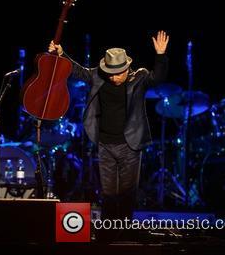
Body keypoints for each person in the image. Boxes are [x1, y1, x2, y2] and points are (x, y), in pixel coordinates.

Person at [48, 30, 169, 240]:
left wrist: (160, 55)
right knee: (109, 193)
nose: (114, 77)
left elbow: (158, 77)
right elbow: (78, 71)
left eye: (118, 72)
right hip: (105, 144)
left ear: (127, 68)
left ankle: (126, 231)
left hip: (130, 145)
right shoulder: (99, 76)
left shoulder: (139, 78)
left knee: (127, 193)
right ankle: (109, 232)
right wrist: (61, 54)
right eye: (111, 72)